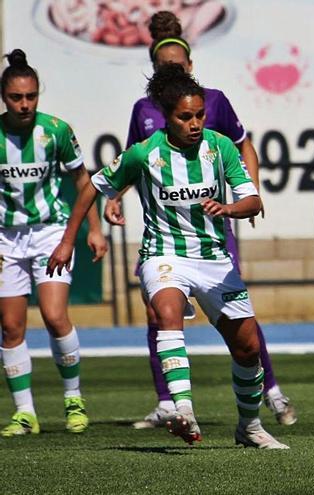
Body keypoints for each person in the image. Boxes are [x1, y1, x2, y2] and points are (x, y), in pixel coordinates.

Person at [48, 63, 288, 449]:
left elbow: (254, 201)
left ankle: (249, 427)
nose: (194, 123)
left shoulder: (220, 146)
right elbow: (93, 186)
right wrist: (67, 240)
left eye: (199, 115)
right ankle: (183, 409)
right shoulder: (144, 153)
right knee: (167, 313)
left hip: (214, 259)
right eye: (185, 117)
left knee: (248, 348)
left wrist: (229, 208)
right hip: (164, 255)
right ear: (167, 116)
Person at [103, 11, 296, 429]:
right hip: (165, 236)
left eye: (178, 66)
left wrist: (249, 195)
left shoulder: (215, 102)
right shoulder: (144, 110)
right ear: (155, 74)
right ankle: (169, 403)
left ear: (190, 67)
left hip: (212, 234)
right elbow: (133, 162)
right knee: (159, 314)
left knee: (239, 318)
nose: (172, 72)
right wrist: (115, 197)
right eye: (163, 68)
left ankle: (272, 391)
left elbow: (244, 149)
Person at [0, 49, 108, 436]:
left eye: (31, 96)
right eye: (16, 97)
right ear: (4, 97)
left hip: (50, 232)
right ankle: (25, 412)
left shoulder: (57, 131)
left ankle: (73, 399)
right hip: (6, 240)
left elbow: (84, 181)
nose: (25, 104)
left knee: (54, 316)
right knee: (11, 327)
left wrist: (93, 230)